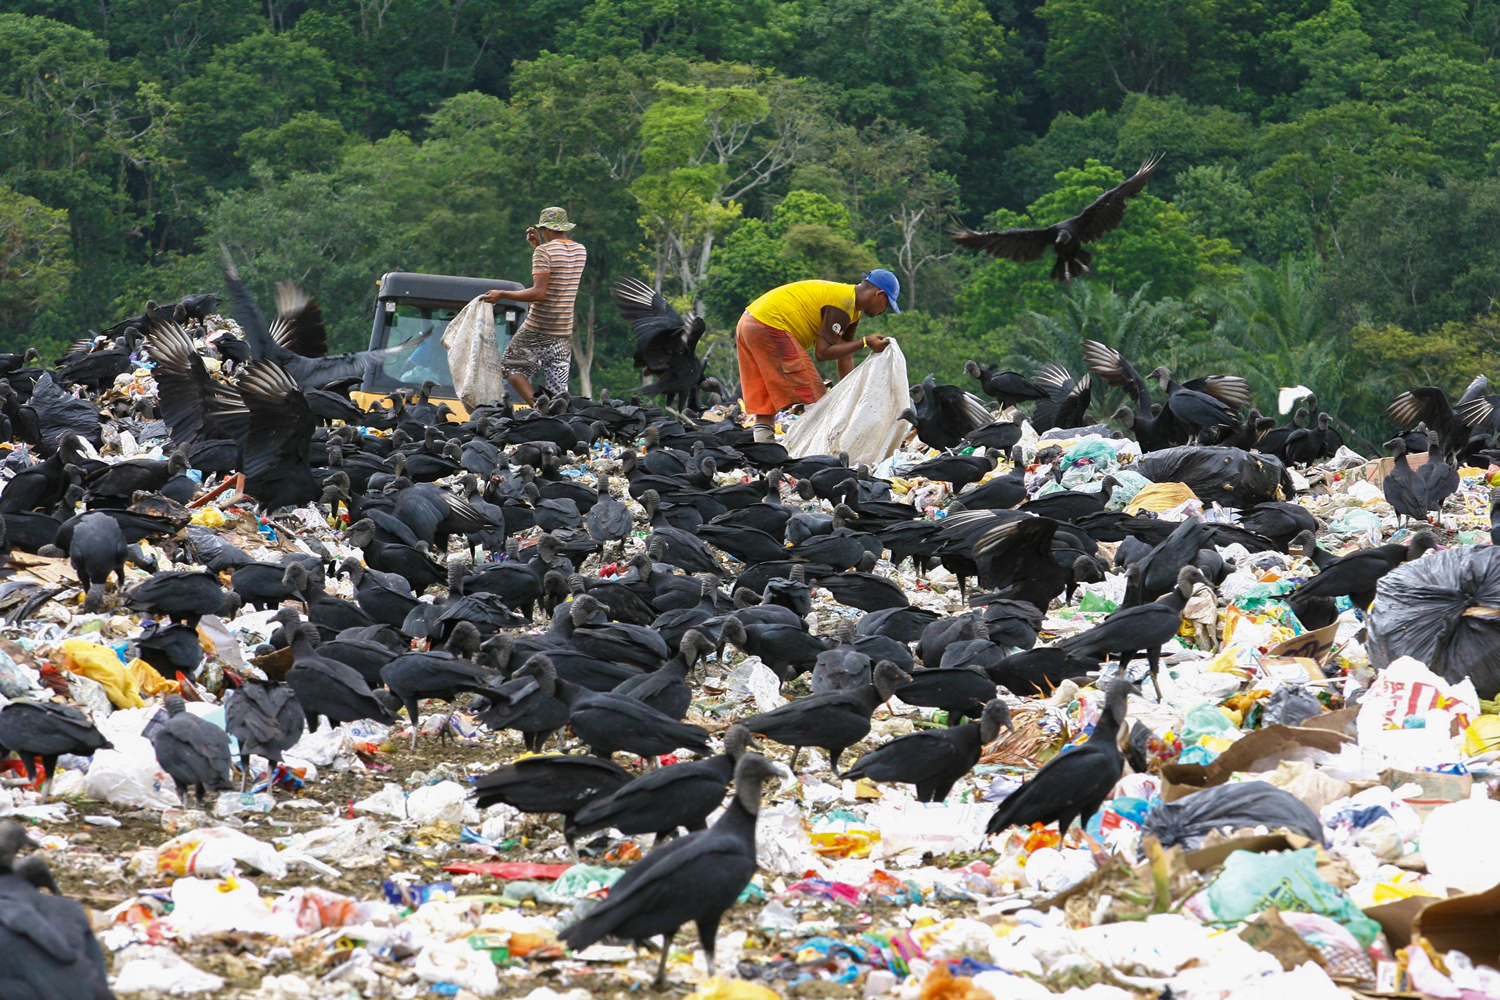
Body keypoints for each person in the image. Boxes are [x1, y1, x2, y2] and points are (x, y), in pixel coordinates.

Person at [736, 270, 900, 442]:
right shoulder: (843, 303)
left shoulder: (851, 308)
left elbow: (844, 354)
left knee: (765, 397)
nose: (883, 311)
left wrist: (850, 394)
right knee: (816, 397)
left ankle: (764, 451)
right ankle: (813, 452)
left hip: (748, 323)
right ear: (878, 294)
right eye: (886, 305)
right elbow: (822, 353)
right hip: (769, 325)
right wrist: (865, 342)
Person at [481, 207, 588, 405]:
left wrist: (502, 294)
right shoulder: (580, 250)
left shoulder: (544, 252)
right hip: (563, 331)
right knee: (557, 389)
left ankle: (540, 409)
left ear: (545, 228)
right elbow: (559, 272)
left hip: (538, 328)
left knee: (510, 367)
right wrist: (539, 247)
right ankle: (556, 415)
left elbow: (539, 293)